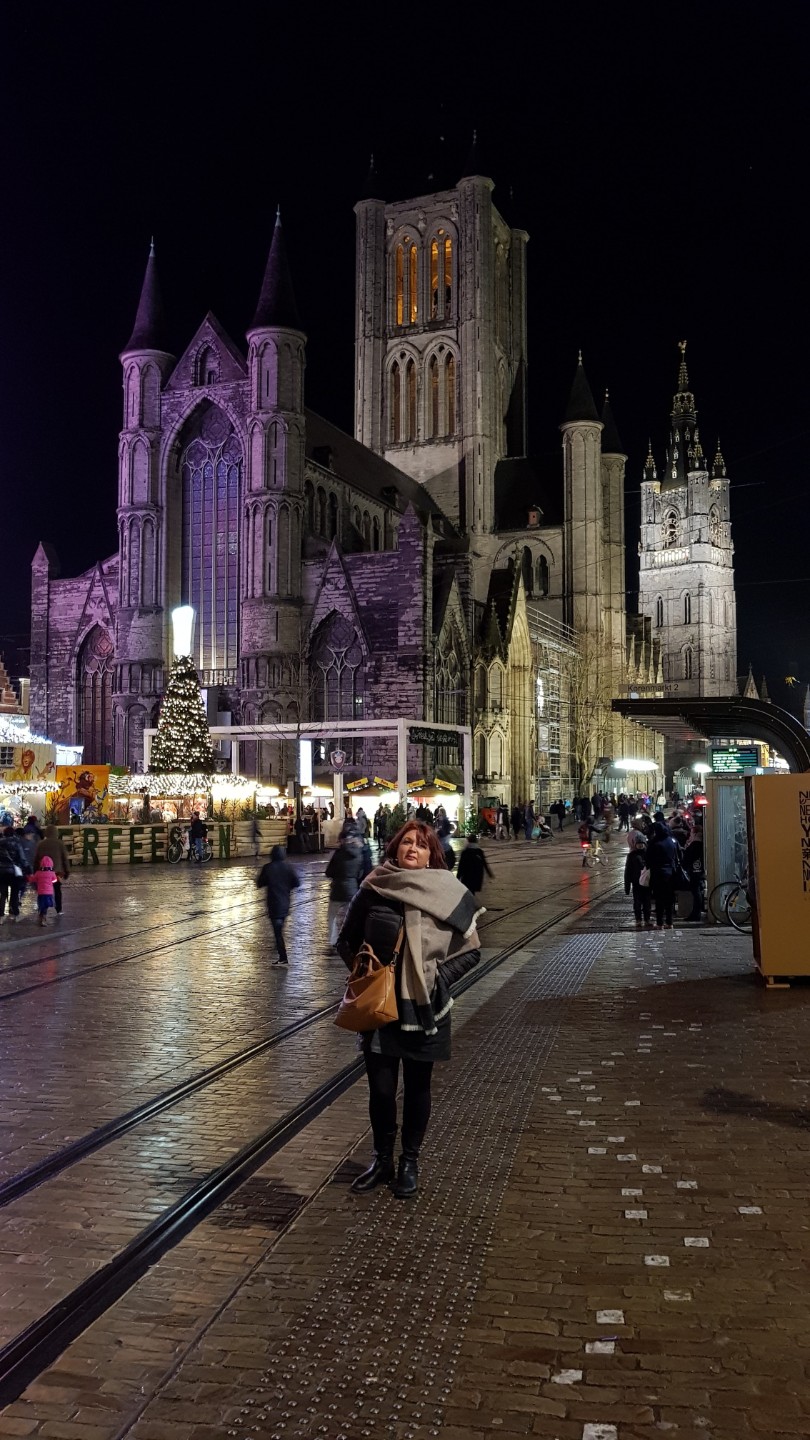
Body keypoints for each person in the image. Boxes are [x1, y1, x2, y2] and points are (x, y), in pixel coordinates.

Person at [337, 821, 482, 1199]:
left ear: (432, 853)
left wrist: (437, 979)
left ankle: (409, 1163)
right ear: (395, 849)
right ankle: (382, 1159)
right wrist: (367, 977)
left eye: (420, 844)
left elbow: (472, 951)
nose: (412, 848)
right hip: (380, 1007)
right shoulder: (374, 887)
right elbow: (345, 941)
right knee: (382, 1090)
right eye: (406, 842)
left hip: (425, 1009)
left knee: (418, 1088)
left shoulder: (449, 893)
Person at [256, 844, 301, 965]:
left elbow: (260, 883)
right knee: (279, 930)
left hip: (273, 904)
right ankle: (280, 952)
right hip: (285, 903)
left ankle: (283, 956)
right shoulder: (288, 867)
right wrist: (287, 886)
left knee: (278, 932)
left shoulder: (268, 867)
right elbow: (297, 883)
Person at [325, 824, 365, 947]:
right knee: (351, 917)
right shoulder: (359, 854)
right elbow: (360, 873)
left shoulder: (338, 854)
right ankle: (349, 939)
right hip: (352, 890)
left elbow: (329, 872)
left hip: (337, 890)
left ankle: (333, 940)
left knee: (332, 916)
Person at [647, 819, 679, 930]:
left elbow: (648, 859)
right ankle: (669, 922)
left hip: (658, 874)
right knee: (669, 899)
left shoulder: (654, 842)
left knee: (659, 899)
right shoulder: (671, 841)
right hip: (671, 873)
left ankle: (660, 923)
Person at [32, 824, 72, 915]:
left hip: (43, 872)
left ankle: (43, 910)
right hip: (57, 873)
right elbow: (65, 859)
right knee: (57, 890)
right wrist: (67, 871)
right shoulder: (60, 843)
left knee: (43, 890)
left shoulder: (41, 844)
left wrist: (35, 872)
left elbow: (36, 859)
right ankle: (59, 909)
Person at [0, 826, 31, 922]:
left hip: (1, 871)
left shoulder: (1, 842)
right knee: (14, 893)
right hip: (14, 871)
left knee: (3, 894)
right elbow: (22, 857)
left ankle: (1, 916)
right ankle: (15, 913)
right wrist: (27, 867)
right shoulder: (17, 842)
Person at [624, 841, 652, 928]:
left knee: (647, 902)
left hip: (647, 882)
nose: (640, 845)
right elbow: (628, 871)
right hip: (636, 883)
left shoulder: (648, 854)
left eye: (641, 843)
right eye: (638, 843)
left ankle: (647, 919)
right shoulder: (632, 855)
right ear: (635, 845)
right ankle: (638, 920)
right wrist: (627, 886)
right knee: (637, 902)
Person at [28, 854, 57, 926]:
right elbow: (55, 880)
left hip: (41, 892)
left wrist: (29, 877)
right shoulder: (52, 873)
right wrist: (50, 882)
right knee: (46, 905)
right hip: (49, 893)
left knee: (41, 904)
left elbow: (33, 879)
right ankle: (43, 917)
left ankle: (41, 914)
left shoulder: (38, 873)